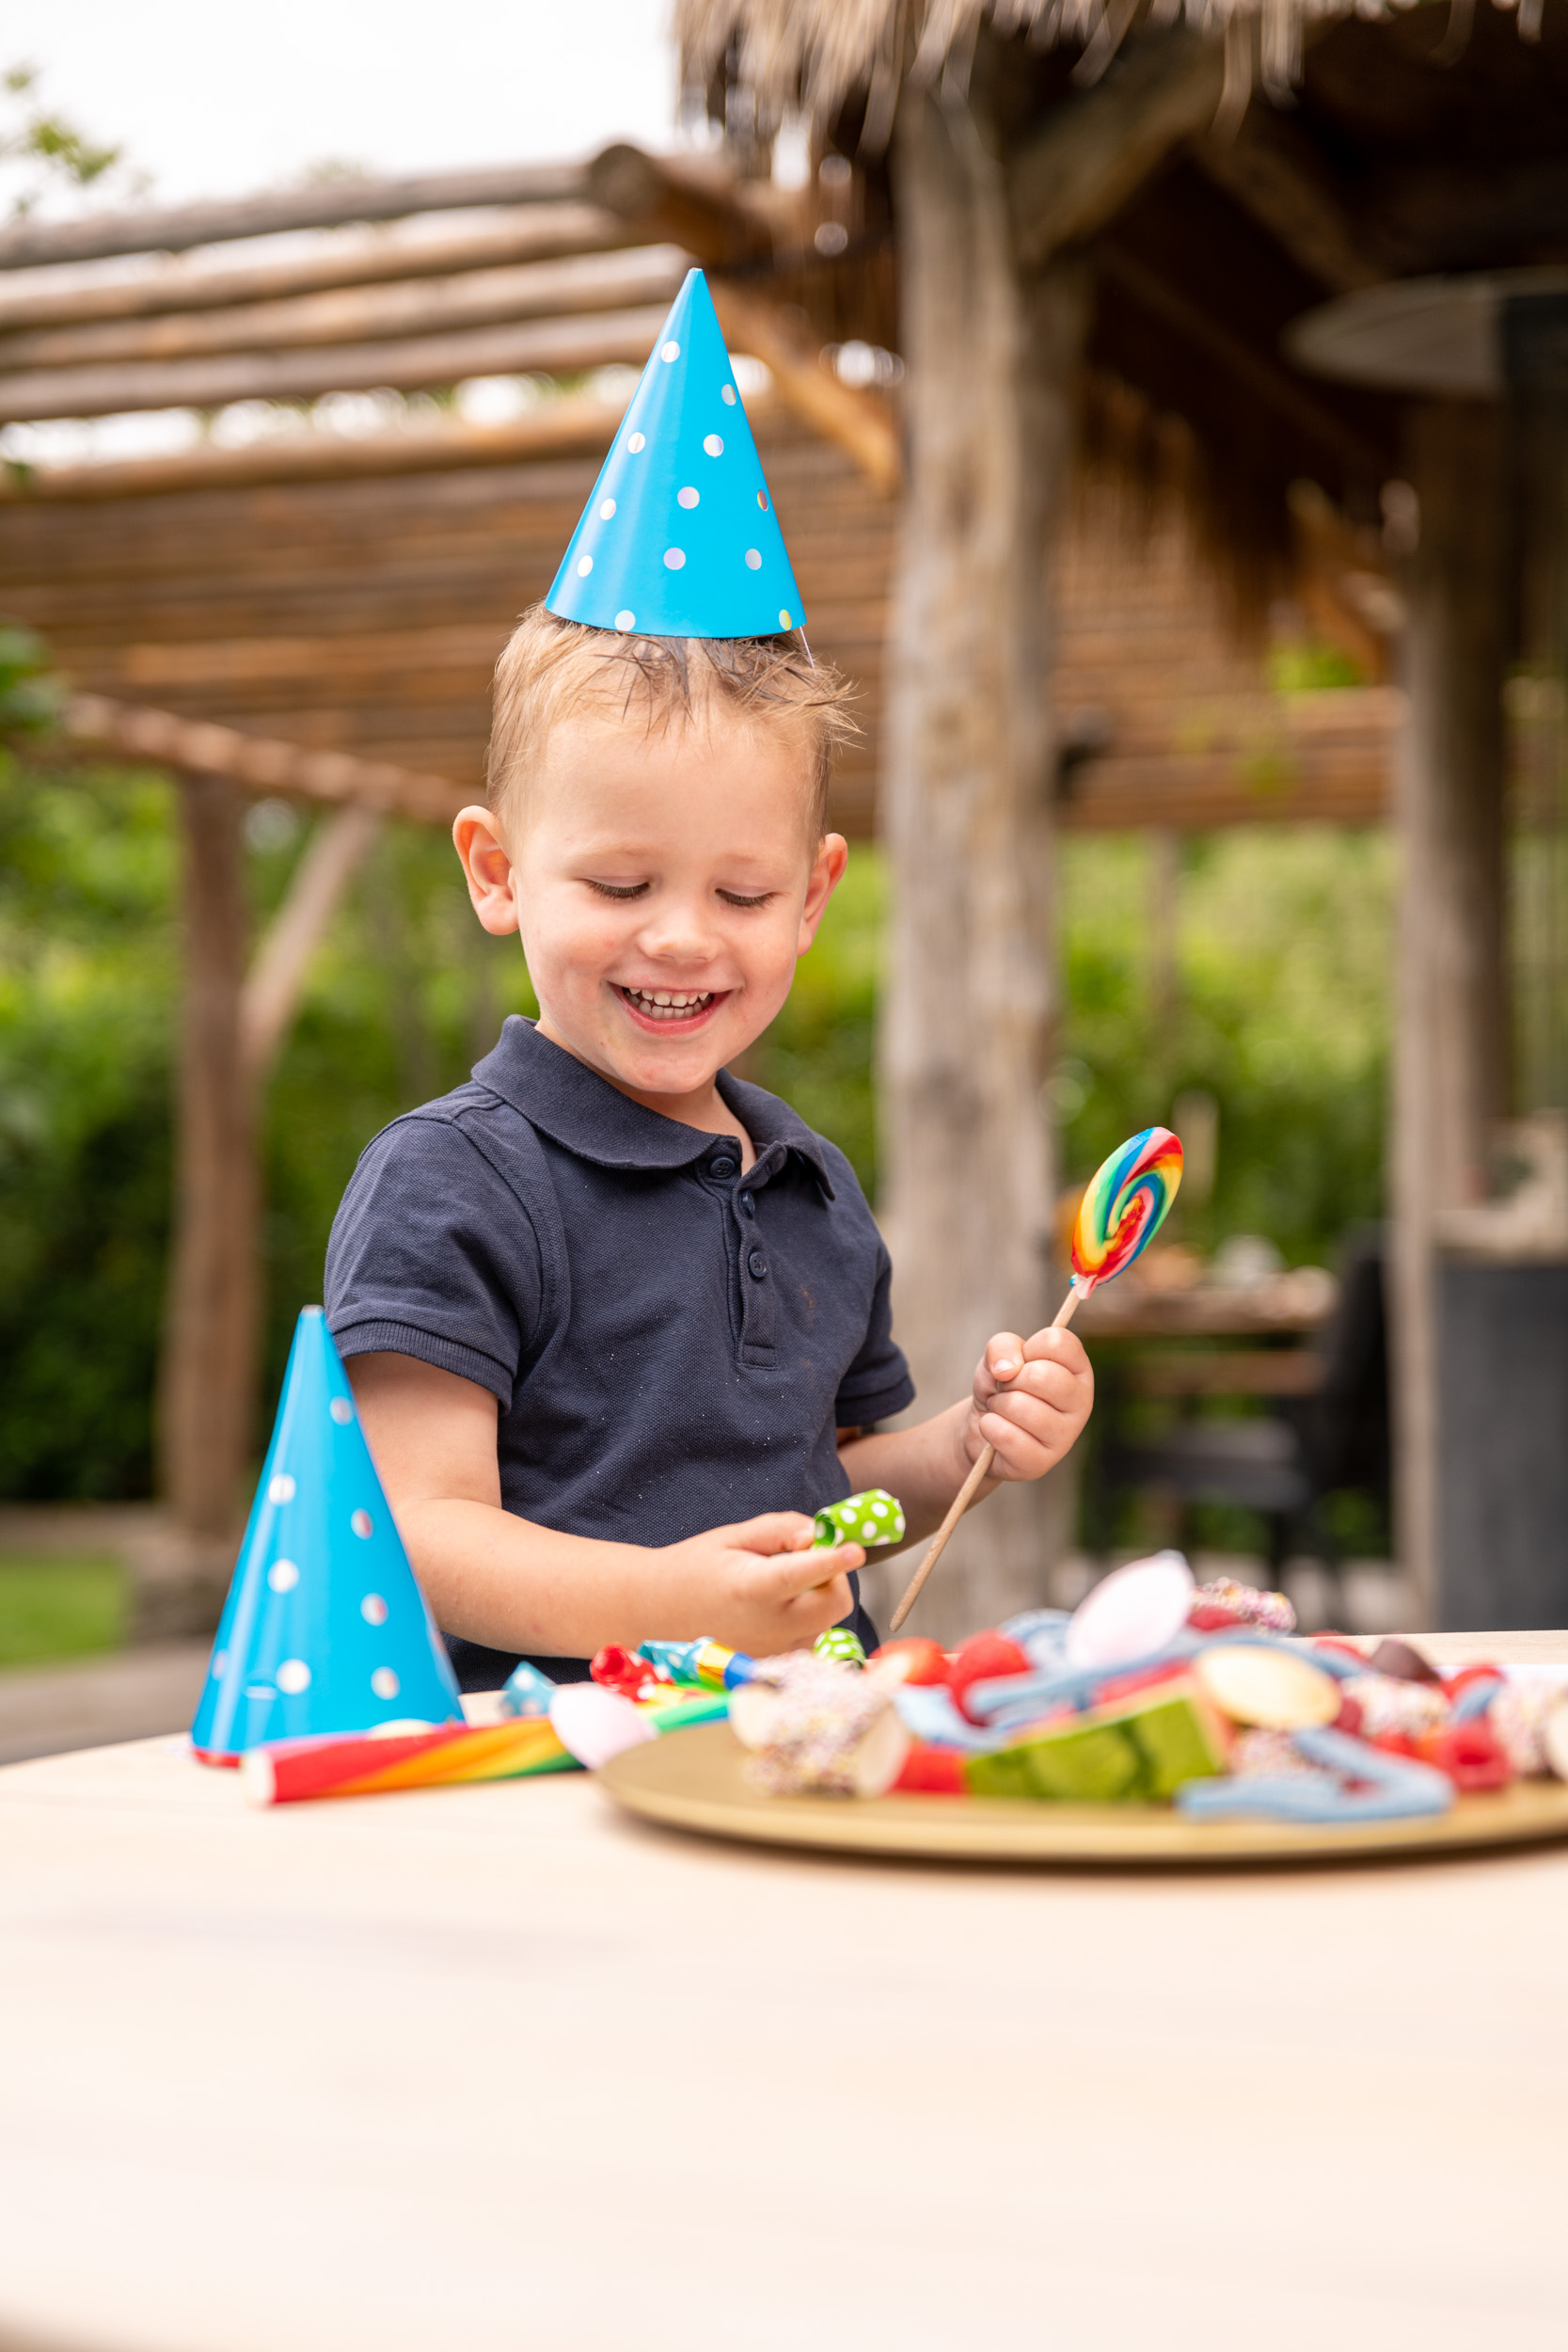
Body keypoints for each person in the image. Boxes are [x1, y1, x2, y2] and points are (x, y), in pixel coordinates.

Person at [324, 271, 1092, 1691]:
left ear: (812, 899)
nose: (681, 936)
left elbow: (844, 1480)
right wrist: (668, 1598)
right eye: (619, 885)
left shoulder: (807, 1181)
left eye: (740, 894)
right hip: (553, 1784)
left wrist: (972, 1445)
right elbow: (420, 1528)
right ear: (497, 872)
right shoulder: (451, 1183)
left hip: (807, 1748)